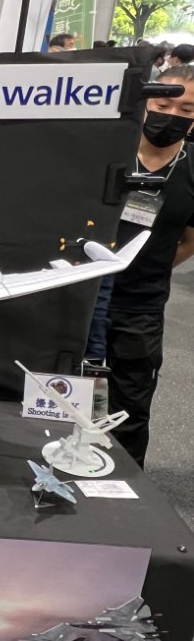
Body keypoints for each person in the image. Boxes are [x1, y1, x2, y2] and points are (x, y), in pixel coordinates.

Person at [105, 65, 194, 468]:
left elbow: (189, 242)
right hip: (83, 296)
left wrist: (148, 267)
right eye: (163, 104)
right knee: (60, 391)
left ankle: (125, 487)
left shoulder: (190, 168)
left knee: (130, 404)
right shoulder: (110, 153)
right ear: (145, 103)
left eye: (187, 110)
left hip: (141, 305)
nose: (172, 115)